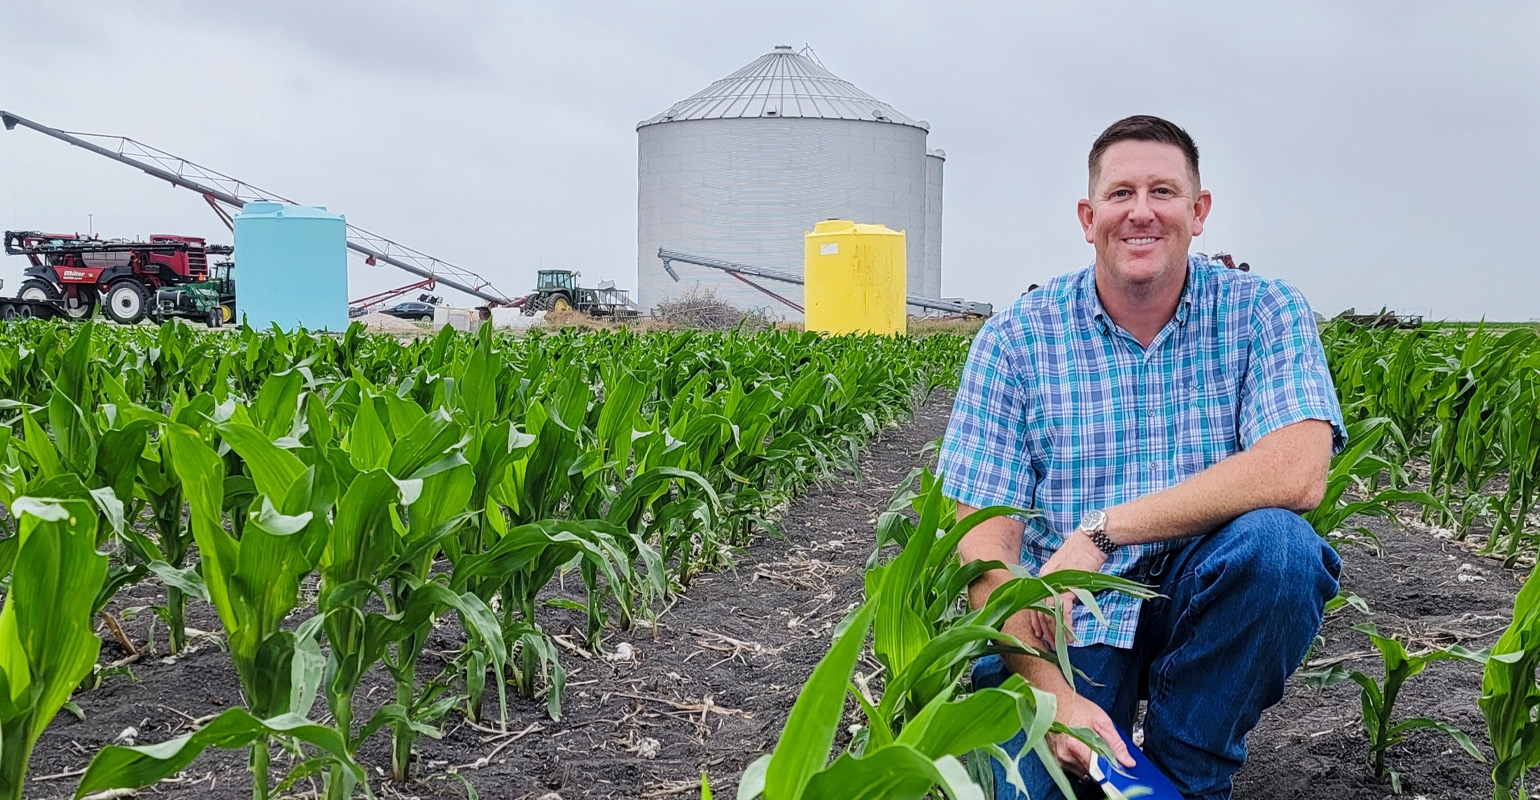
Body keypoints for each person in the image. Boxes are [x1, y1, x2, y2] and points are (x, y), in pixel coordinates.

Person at [937, 115, 1344, 800]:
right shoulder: (1015, 340)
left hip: (1201, 586)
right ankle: (1096, 735)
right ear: (1087, 215)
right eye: (1122, 193)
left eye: (1163, 191)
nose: (1142, 212)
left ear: (1199, 210)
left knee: (1281, 551)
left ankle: (1190, 772)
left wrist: (1102, 533)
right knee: (1025, 786)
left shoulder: (1263, 310)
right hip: (1062, 623)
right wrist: (1052, 697)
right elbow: (985, 554)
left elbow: (1299, 470)